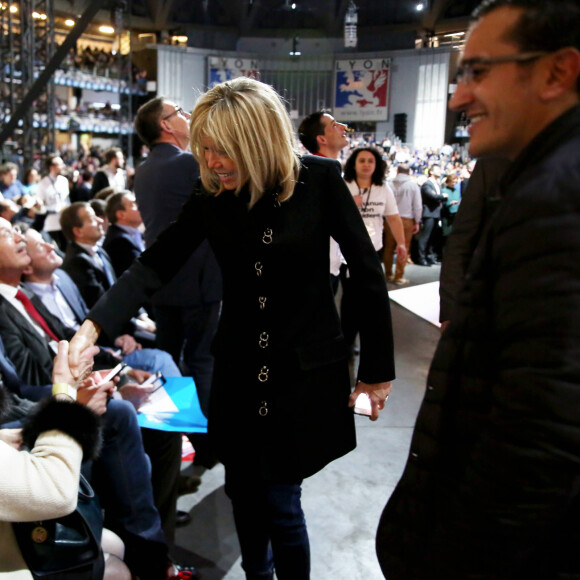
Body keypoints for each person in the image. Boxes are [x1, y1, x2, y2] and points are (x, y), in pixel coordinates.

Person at [70, 77, 395, 580]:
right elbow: (156, 262)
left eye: (223, 149)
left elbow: (368, 277)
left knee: (284, 505)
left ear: (258, 139)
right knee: (245, 496)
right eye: (203, 148)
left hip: (303, 375)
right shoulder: (211, 193)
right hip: (239, 372)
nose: (212, 160)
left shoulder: (321, 179)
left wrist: (375, 371)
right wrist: (93, 325)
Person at [376, 0, 580, 578]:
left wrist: (454, 560)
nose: (458, 97)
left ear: (556, 72)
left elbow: (540, 439)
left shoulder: (558, 197)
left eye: (479, 71)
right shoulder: (543, 181)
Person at [133, 96, 223, 468]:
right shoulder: (188, 164)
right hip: (197, 281)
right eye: (180, 113)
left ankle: (171, 441)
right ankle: (208, 448)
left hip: (162, 282)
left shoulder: (144, 169)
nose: (187, 116)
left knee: (169, 362)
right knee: (201, 361)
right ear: (166, 125)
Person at [340, 147, 405, 353]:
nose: (367, 164)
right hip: (345, 252)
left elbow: (393, 217)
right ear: (354, 164)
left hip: (373, 250)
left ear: (377, 165)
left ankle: (363, 342)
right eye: (362, 161)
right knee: (350, 299)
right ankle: (347, 341)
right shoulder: (343, 185)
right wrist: (350, 204)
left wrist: (402, 243)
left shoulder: (384, 189)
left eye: (371, 161)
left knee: (369, 298)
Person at [384, 164, 422, 284]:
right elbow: (417, 206)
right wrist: (417, 221)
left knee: (388, 248)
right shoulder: (412, 185)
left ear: (397, 171)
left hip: (390, 218)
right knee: (403, 247)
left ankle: (388, 274)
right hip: (406, 219)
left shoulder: (389, 184)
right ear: (408, 172)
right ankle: (399, 276)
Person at [36, 155, 70, 250]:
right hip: (51, 224)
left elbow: (66, 200)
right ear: (52, 167)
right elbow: (40, 207)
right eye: (60, 164)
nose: (63, 166)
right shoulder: (42, 184)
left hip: (64, 222)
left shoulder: (64, 181)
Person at [415, 163, 446, 265]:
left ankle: (430, 256)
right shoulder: (427, 184)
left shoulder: (437, 184)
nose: (440, 171)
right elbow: (432, 196)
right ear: (431, 172)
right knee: (425, 237)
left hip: (436, 213)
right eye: (437, 169)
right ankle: (421, 258)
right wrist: (443, 195)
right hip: (429, 214)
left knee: (433, 237)